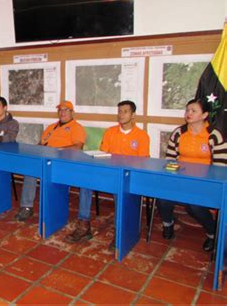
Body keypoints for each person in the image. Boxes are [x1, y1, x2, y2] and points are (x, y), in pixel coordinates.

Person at [66, 100, 150, 247]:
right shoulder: (110, 132)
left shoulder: (142, 136)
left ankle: (120, 230)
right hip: (109, 172)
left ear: (133, 115)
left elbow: (142, 162)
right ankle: (84, 224)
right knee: (85, 183)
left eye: (125, 111)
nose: (121, 115)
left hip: (128, 176)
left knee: (120, 189)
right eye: (119, 111)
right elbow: (103, 154)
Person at [157, 98, 227, 252]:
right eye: (187, 110)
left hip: (205, 182)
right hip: (180, 178)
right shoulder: (179, 132)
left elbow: (221, 167)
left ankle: (212, 233)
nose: (188, 113)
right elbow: (169, 159)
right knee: (162, 197)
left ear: (204, 115)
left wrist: (206, 183)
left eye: (193, 111)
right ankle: (168, 224)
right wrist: (172, 176)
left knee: (193, 205)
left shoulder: (214, 135)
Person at [14, 100, 86, 221]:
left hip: (64, 161)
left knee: (54, 177)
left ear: (72, 112)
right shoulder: (52, 127)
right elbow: (41, 144)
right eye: (60, 110)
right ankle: (27, 207)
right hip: (45, 159)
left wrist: (57, 151)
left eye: (66, 110)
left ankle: (54, 211)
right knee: (30, 170)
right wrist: (35, 150)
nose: (62, 112)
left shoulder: (77, 127)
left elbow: (78, 147)